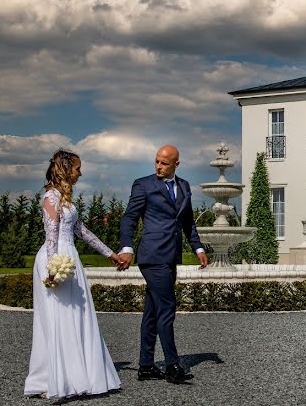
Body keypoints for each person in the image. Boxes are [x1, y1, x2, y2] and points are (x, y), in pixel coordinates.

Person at [24, 149, 123, 400]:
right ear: (66, 169)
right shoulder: (51, 197)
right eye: (78, 168)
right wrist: (52, 268)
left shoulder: (66, 199)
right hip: (56, 259)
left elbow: (82, 231)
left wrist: (110, 254)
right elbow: (51, 235)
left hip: (69, 258)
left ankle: (79, 374)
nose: (80, 173)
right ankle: (54, 379)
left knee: (76, 316)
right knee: (58, 318)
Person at [116, 144, 209, 384]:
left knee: (153, 311)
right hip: (152, 256)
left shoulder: (184, 186)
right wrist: (126, 248)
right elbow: (130, 218)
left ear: (176, 164)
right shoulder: (143, 184)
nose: (158, 166)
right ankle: (172, 365)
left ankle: (146, 366)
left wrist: (197, 247)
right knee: (167, 308)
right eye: (156, 161)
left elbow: (187, 221)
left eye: (164, 163)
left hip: (171, 256)